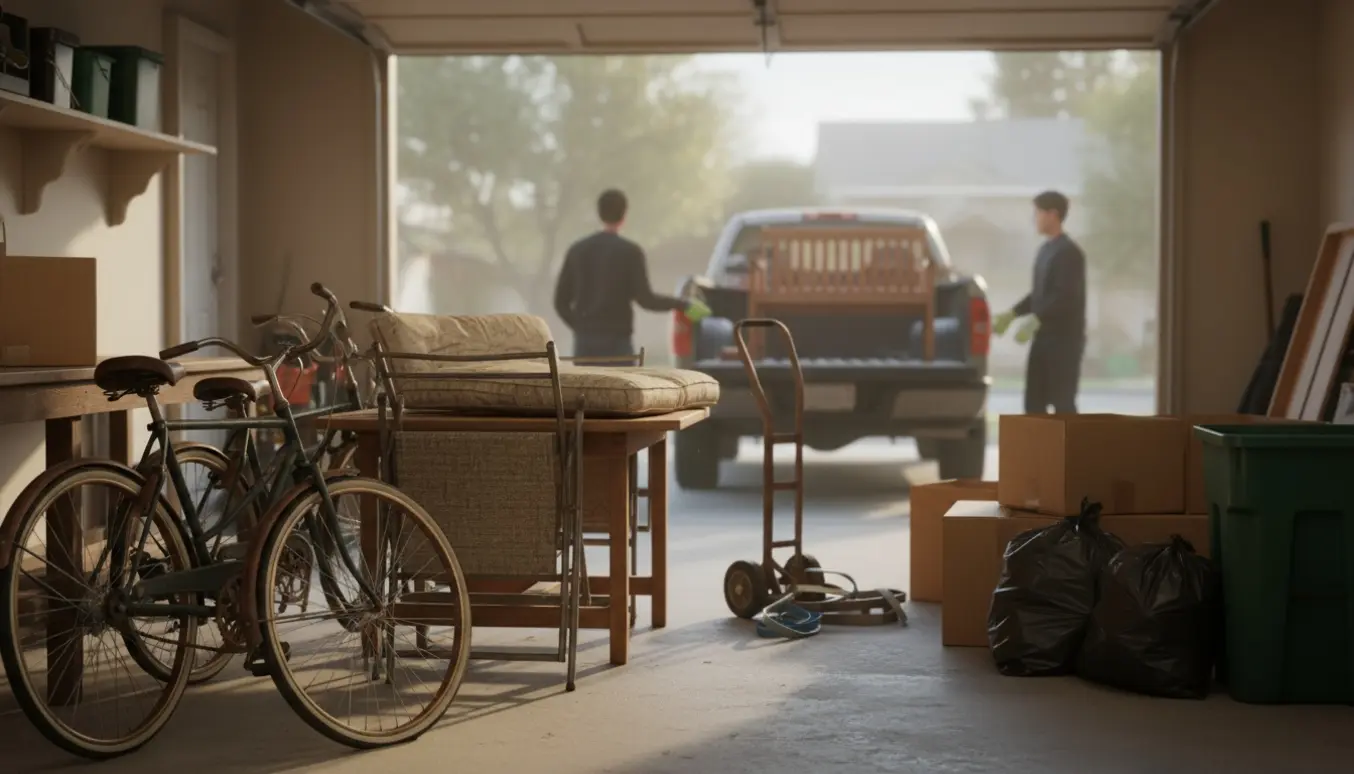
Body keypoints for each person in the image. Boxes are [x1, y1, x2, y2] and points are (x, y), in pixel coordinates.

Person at [553, 188, 710, 359]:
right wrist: (684, 304)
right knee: (622, 386)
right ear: (624, 215)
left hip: (585, 344)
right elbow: (646, 300)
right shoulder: (631, 252)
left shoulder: (577, 251)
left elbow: (560, 302)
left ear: (599, 213)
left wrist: (581, 327)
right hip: (618, 343)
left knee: (588, 385)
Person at [993, 190, 1087, 415]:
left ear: (1052, 215)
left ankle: (1072, 450)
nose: (1034, 218)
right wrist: (1013, 314)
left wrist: (1037, 318)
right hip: (1043, 339)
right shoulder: (1045, 251)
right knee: (1034, 402)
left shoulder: (1069, 253)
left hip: (1064, 343)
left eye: (1037, 213)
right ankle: (1040, 449)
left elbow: (1066, 296)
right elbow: (1039, 294)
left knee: (1063, 402)